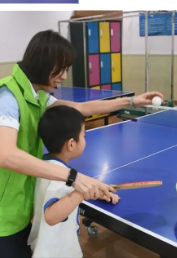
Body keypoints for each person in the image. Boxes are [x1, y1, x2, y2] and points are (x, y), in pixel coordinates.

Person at [0, 30, 162, 258]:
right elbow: (8, 155)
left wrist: (131, 101)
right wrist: (74, 178)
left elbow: (80, 108)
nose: (64, 76)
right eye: (60, 69)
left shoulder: (36, 94)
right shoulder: (6, 97)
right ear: (42, 63)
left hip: (12, 204)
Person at [29, 106, 119, 258]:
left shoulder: (45, 167)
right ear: (71, 144)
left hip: (45, 247)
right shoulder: (62, 178)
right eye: (83, 136)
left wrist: (96, 192)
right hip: (57, 252)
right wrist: (82, 192)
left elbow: (63, 198)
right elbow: (51, 216)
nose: (85, 139)